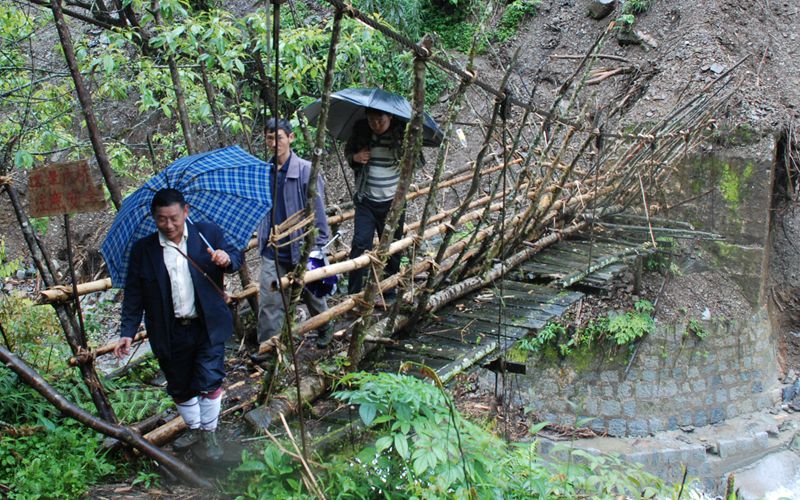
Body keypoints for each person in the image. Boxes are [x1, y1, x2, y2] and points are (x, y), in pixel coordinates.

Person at [113, 188, 242, 461]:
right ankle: (196, 429)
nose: (169, 225)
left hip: (207, 324)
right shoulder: (144, 250)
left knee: (210, 379)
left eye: (174, 217)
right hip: (169, 330)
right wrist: (127, 331)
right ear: (154, 218)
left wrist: (226, 259)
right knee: (180, 386)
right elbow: (134, 293)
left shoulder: (207, 234)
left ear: (186, 211)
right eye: (162, 219)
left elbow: (235, 258)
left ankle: (210, 435)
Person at [255, 118, 334, 351]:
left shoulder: (306, 170)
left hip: (301, 243)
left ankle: (325, 327)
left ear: (290, 138)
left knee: (312, 291)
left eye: (278, 137)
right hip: (273, 247)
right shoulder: (264, 172)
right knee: (269, 300)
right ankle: (268, 348)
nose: (273, 143)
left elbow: (318, 210)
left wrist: (319, 244)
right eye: (269, 138)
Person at [344, 108, 406, 301]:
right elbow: (348, 154)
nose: (376, 125)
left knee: (393, 245)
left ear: (390, 117)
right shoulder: (361, 133)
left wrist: (404, 152)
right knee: (360, 243)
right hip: (367, 201)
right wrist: (355, 157)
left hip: (393, 203)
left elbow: (417, 161)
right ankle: (353, 293)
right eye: (372, 121)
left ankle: (389, 289)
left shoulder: (402, 135)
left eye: (380, 121)